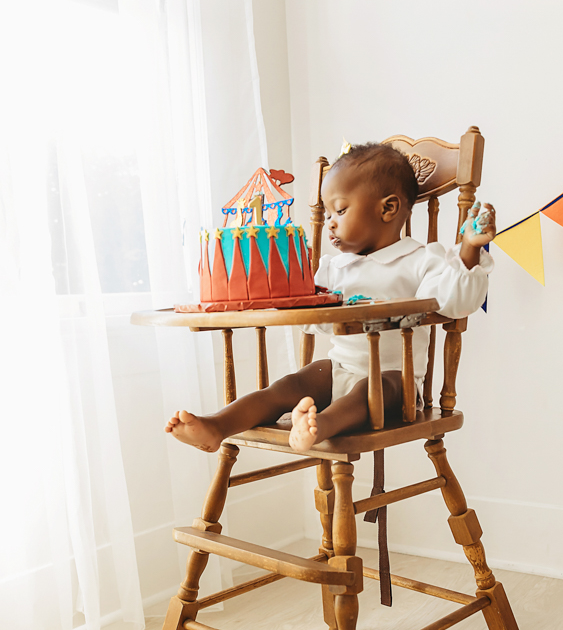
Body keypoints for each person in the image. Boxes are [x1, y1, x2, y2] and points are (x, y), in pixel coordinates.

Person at [165, 142, 496, 453]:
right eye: (326, 213)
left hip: (397, 384)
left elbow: (454, 302)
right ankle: (218, 425)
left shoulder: (423, 260)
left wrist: (468, 249)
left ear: (388, 209)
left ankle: (318, 425)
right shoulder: (332, 268)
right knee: (286, 386)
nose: (330, 223)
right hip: (339, 368)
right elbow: (312, 324)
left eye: (339, 211)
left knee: (371, 390)